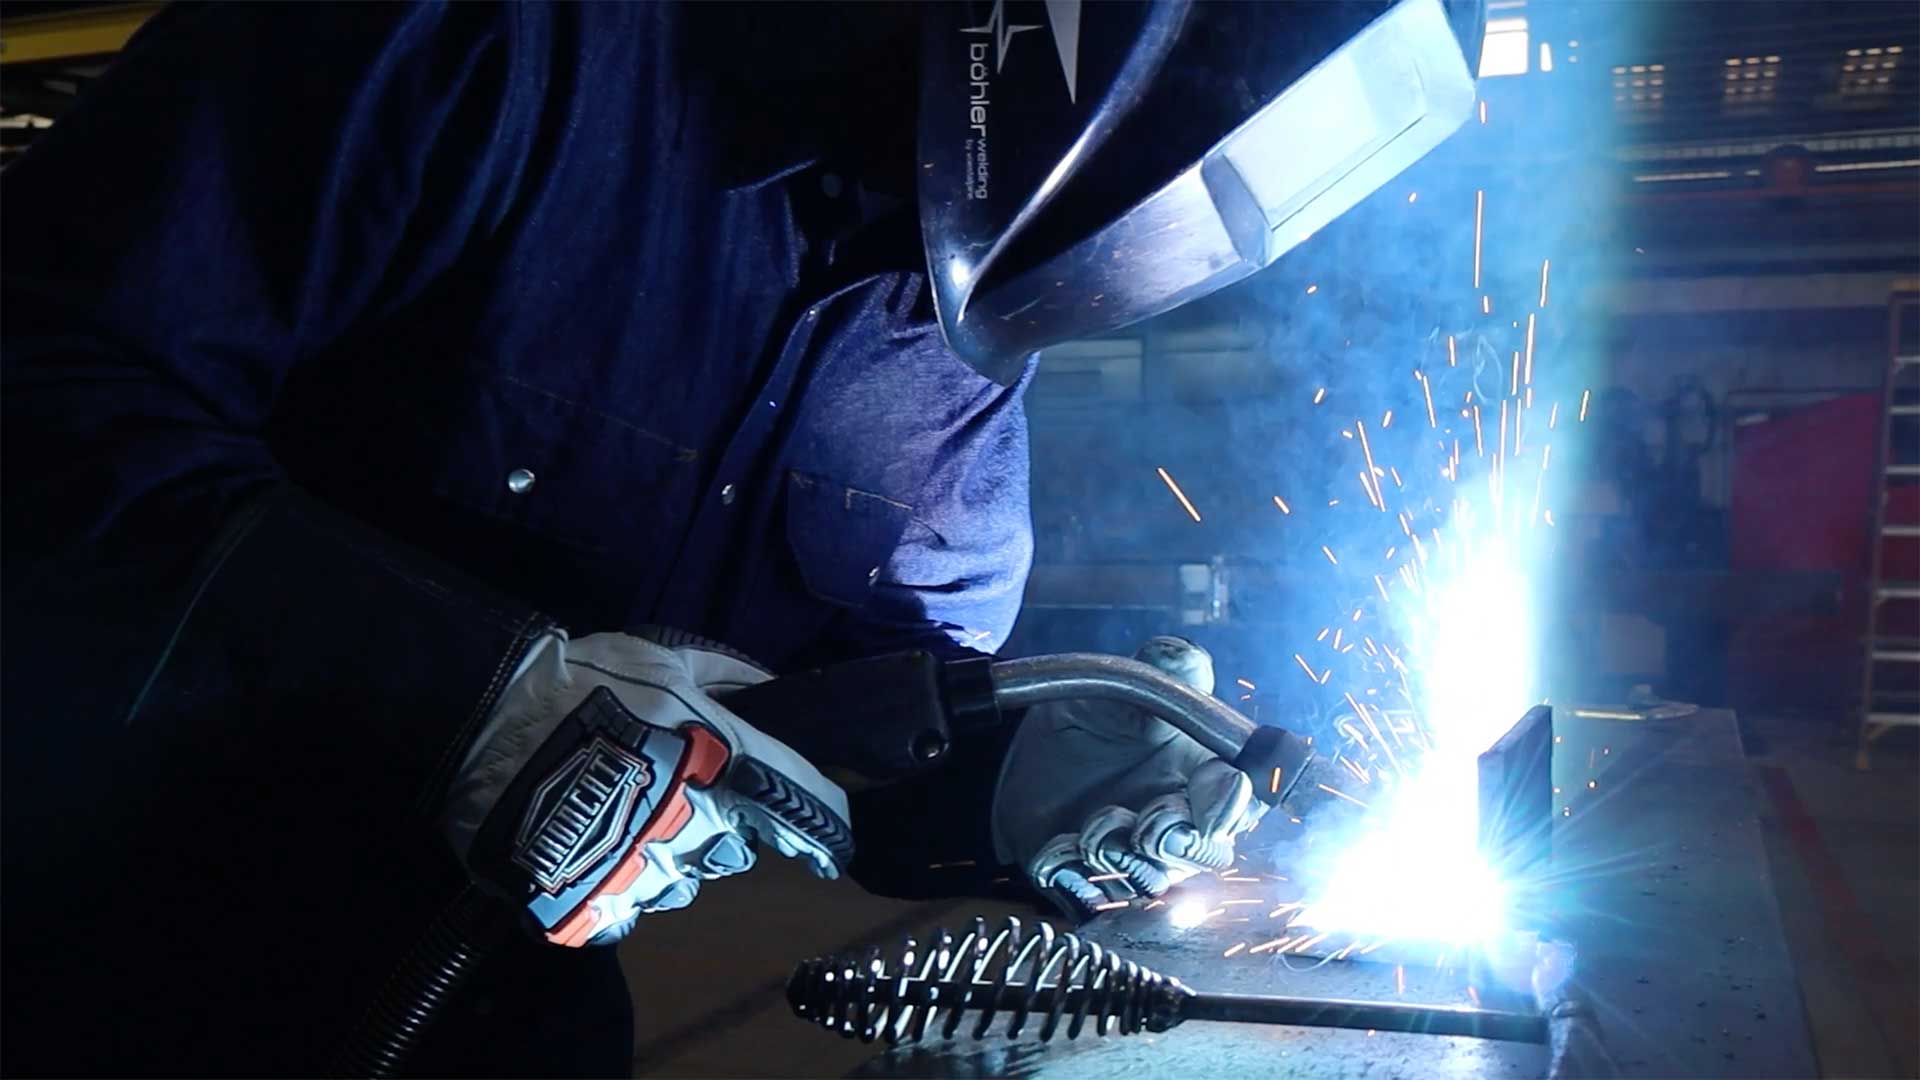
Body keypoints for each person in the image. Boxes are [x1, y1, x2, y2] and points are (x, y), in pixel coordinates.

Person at [0, 1, 1479, 1074]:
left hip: (488, 1018)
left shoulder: (960, 417)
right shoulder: (498, 48)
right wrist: (457, 691)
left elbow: (839, 762)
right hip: (86, 948)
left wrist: (1018, 784)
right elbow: (43, 383)